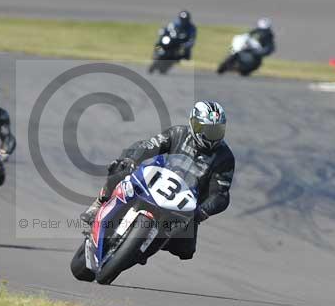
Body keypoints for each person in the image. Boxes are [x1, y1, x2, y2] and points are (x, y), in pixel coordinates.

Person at [80, 101, 234, 261]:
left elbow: (221, 193)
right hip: (156, 182)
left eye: (216, 131)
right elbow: (149, 145)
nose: (211, 136)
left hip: (185, 206)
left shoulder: (225, 157)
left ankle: (142, 247)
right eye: (207, 130)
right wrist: (132, 159)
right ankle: (99, 203)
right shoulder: (179, 133)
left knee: (185, 250)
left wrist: (203, 211)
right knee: (120, 168)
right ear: (194, 124)